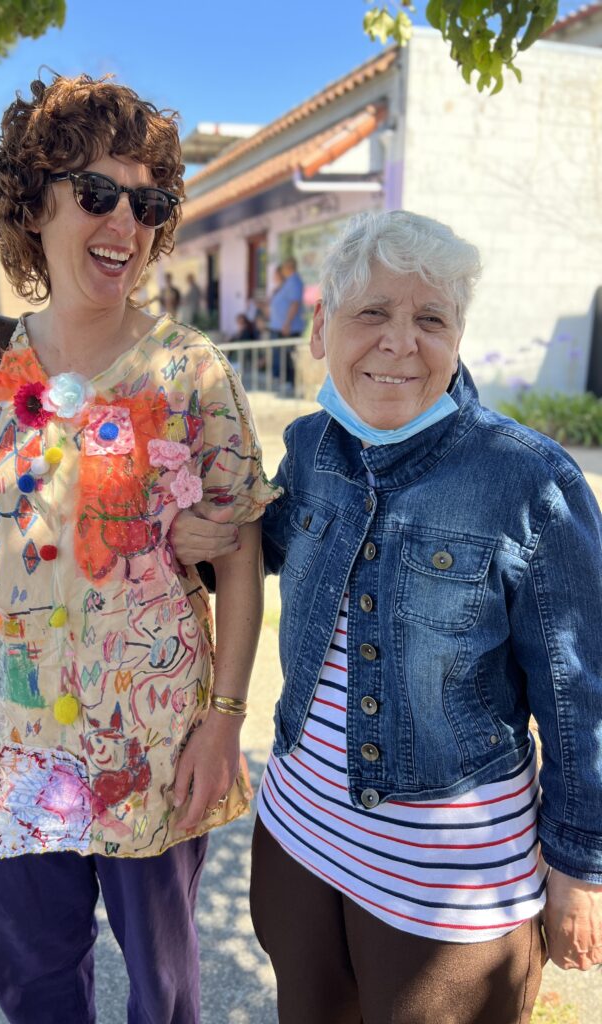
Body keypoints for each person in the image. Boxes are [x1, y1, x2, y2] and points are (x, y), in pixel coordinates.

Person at [0, 73, 279, 1024]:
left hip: (154, 752)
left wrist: (225, 721)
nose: (126, 224)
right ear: (35, 200)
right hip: (7, 742)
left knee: (166, 991)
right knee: (34, 986)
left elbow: (237, 555)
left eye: (147, 203)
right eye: (97, 192)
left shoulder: (191, 370)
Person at [170, 211, 602, 1023]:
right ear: (322, 327)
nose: (402, 343)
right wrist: (210, 539)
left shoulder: (530, 482)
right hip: (299, 841)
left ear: (458, 335)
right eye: (373, 313)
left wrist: (582, 867)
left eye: (430, 319)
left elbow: (584, 695)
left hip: (449, 895)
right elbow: (280, 541)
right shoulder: (313, 446)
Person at [269, 259, 304, 390]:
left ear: (289, 267)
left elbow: (295, 304)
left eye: (283, 267)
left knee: (288, 357)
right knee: (281, 356)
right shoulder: (288, 281)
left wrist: (287, 323)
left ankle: (289, 382)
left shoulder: (294, 281)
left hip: (288, 328)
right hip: (280, 326)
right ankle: (282, 381)